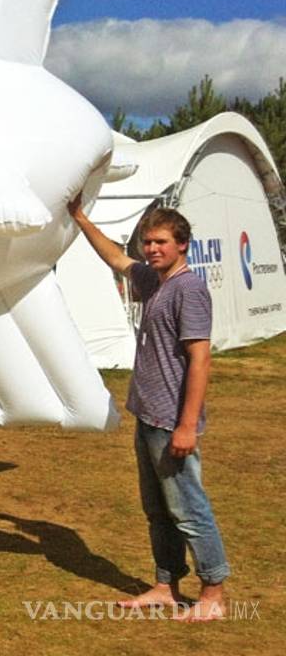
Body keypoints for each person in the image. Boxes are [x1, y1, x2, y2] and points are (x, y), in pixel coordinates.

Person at [68, 194, 229, 622]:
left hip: (171, 421)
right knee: (157, 510)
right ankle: (165, 586)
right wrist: (80, 217)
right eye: (147, 241)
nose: (151, 248)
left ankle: (213, 592)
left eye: (160, 241)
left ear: (182, 245)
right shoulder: (154, 281)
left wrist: (187, 425)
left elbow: (200, 358)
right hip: (148, 414)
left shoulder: (188, 290)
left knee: (189, 508)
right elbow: (117, 261)